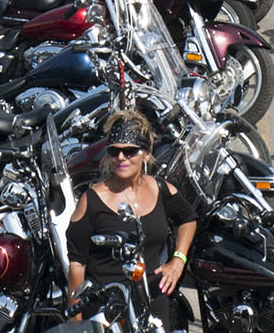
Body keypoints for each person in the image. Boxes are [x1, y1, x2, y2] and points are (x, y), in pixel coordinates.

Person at [64, 111, 197, 313]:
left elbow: (188, 218)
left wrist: (179, 260)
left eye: (130, 151)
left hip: (153, 305)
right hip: (107, 309)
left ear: (146, 154)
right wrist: (76, 323)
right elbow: (77, 265)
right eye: (114, 151)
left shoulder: (160, 189)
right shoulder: (92, 200)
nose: (121, 157)